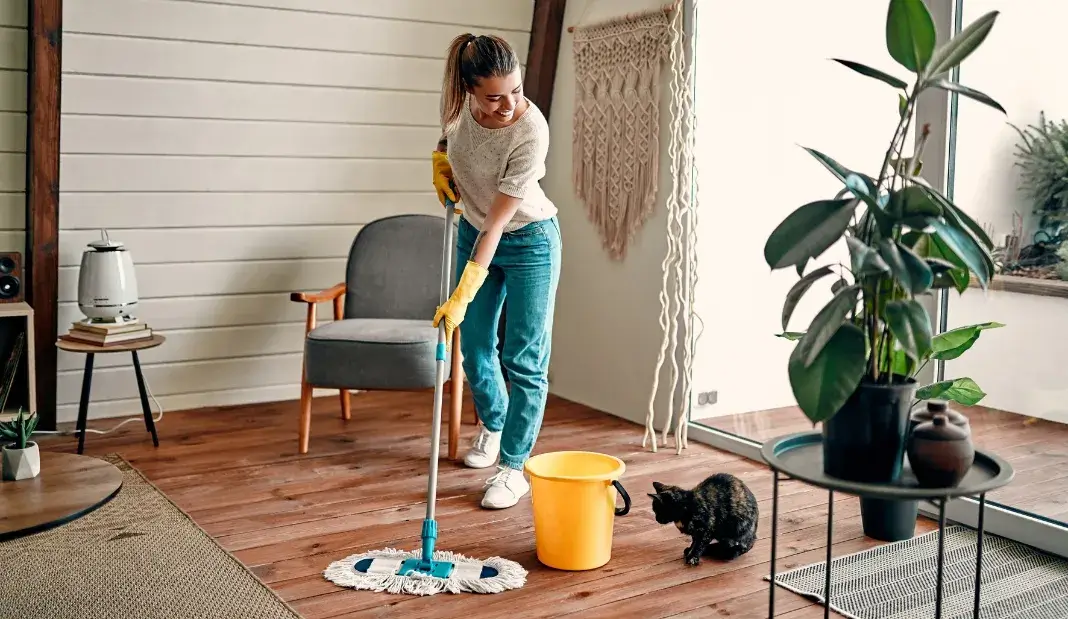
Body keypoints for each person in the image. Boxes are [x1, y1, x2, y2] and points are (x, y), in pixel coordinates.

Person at [430, 33, 561, 510]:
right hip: (472, 231)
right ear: (470, 91)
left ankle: (513, 467)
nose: (508, 105)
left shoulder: (531, 131)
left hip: (528, 241)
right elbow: (449, 140)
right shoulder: (456, 107)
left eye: (517, 91)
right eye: (494, 96)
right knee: (477, 348)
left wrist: (462, 292)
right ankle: (495, 422)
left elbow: (497, 224)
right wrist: (440, 162)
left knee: (524, 359)